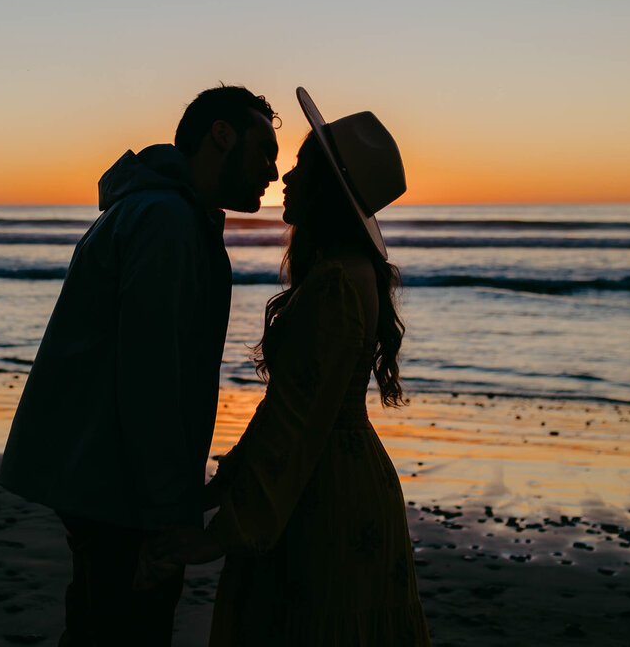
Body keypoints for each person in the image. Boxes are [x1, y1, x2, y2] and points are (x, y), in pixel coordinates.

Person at [144, 87, 432, 646]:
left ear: (328, 188)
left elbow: (295, 420)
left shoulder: (334, 286)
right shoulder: (350, 271)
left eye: (301, 166)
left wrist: (223, 534)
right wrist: (223, 484)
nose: (284, 178)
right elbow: (294, 408)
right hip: (337, 476)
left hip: (323, 494)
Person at [0, 84, 280, 646]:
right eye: (266, 150)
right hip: (117, 485)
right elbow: (150, 375)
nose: (272, 172)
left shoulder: (159, 210)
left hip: (101, 473)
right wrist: (166, 512)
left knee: (98, 624)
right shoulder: (166, 220)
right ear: (222, 135)